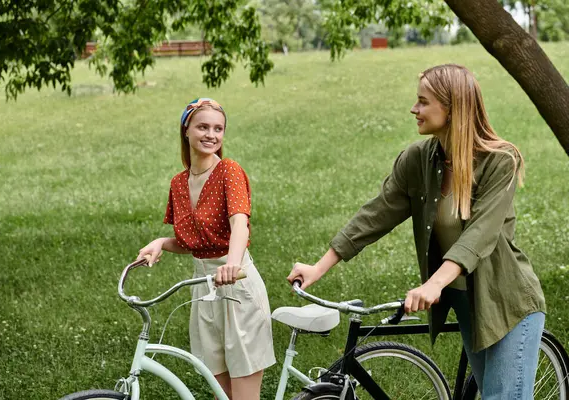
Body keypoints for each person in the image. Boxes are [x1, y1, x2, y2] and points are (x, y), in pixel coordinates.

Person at [287, 64, 546, 399]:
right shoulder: (418, 159)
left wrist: (434, 283)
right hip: (468, 302)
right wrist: (317, 268)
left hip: (507, 301)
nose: (414, 109)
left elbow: (480, 234)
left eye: (423, 102)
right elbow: (375, 215)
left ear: (452, 108)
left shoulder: (500, 160)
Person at [138, 98, 276, 400]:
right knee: (219, 393)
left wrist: (234, 264)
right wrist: (161, 242)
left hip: (237, 286)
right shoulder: (178, 183)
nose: (211, 134)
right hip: (203, 290)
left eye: (218, 128)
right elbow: (194, 242)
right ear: (186, 130)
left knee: (242, 396)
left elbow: (240, 224)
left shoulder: (229, 171)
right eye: (203, 127)